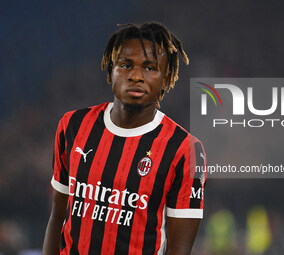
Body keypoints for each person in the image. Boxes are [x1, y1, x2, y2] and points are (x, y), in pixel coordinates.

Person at [42, 22, 206, 255]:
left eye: (150, 68)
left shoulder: (186, 149)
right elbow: (58, 216)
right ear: (111, 70)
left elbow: (179, 249)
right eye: (126, 65)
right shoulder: (73, 125)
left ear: (166, 78)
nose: (136, 76)